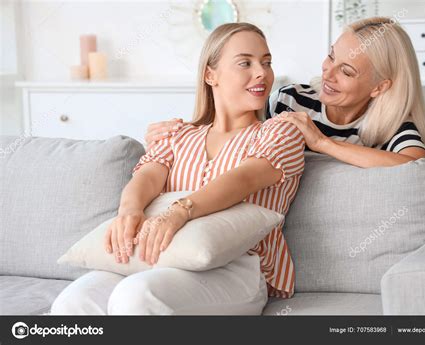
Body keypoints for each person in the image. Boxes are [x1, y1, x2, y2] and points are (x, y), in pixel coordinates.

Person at [50, 22, 305, 316]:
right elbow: (147, 175)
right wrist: (130, 210)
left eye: (266, 62)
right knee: (72, 302)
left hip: (237, 268)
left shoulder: (280, 133)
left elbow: (244, 178)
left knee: (137, 296)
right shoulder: (177, 134)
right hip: (160, 255)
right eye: (245, 63)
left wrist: (180, 211)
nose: (262, 72)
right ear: (211, 75)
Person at [146, 17, 425, 168]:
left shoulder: (394, 128)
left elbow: (417, 167)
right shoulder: (291, 100)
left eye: (346, 71)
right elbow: (239, 136)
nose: (327, 74)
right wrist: (182, 135)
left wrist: (322, 143)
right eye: (331, 57)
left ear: (380, 86)